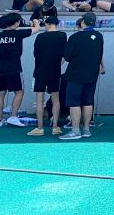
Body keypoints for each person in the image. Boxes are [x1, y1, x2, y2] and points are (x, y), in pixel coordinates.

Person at [59, 12, 105, 140]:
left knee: (74, 102)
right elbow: (100, 54)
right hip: (92, 74)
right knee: (88, 101)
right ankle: (86, 129)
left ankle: (75, 131)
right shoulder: (99, 36)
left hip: (75, 74)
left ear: (83, 22)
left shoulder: (75, 37)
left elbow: (67, 57)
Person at [0, 13, 39, 128]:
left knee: (0, 94)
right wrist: (35, 21)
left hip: (0, 68)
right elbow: (36, 29)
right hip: (14, 68)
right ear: (15, 23)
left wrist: (1, 63)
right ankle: (13, 116)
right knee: (19, 92)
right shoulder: (18, 33)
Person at [27, 15, 66, 136]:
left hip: (40, 71)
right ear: (57, 24)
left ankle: (39, 128)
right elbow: (64, 54)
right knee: (55, 99)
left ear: (47, 24)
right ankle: (55, 127)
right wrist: (58, 64)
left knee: (39, 100)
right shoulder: (62, 36)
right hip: (55, 71)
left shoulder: (40, 36)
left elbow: (35, 53)